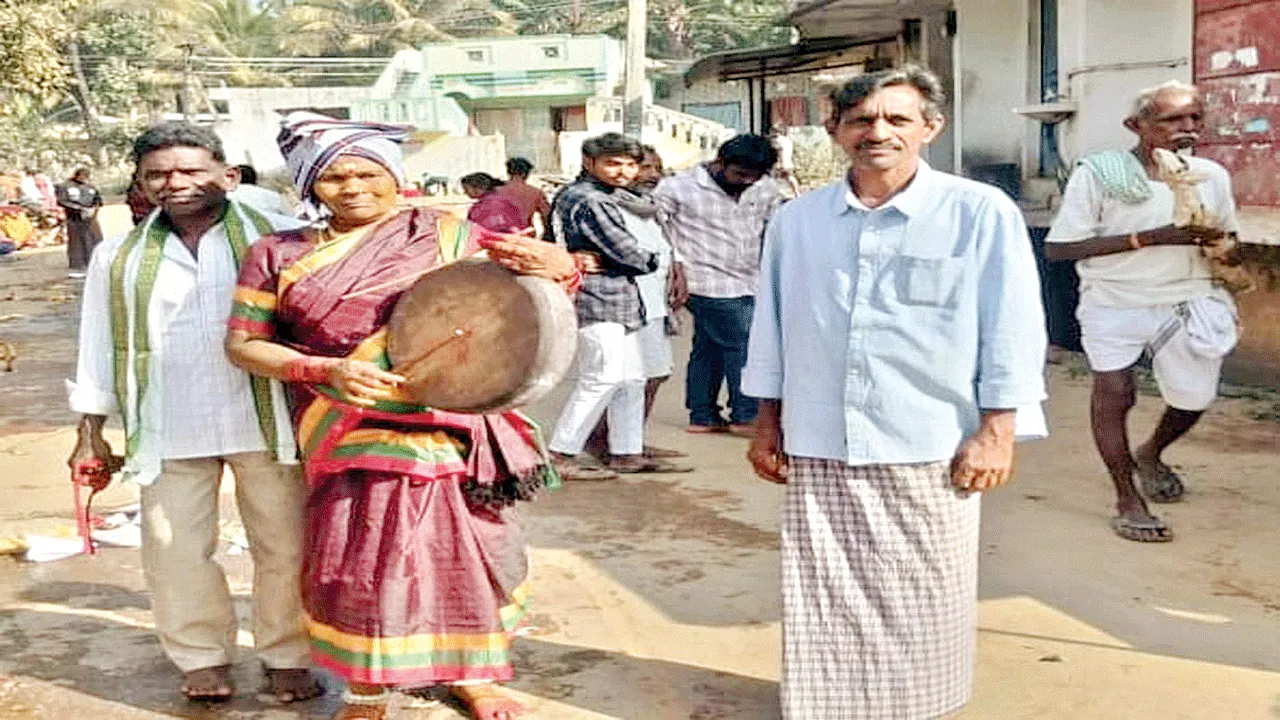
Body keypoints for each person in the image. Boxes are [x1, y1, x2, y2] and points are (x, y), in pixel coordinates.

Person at [225, 111, 579, 720]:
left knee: (471, 549)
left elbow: (522, 299)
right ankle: (367, 686)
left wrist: (559, 269)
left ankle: (475, 673)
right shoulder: (276, 254)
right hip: (344, 418)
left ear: (394, 177)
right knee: (360, 556)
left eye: (367, 172)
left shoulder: (450, 235)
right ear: (310, 185)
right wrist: (324, 372)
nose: (353, 187)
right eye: (334, 177)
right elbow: (243, 344)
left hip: (454, 419)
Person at [743, 66, 1047, 720]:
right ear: (835, 130)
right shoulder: (797, 221)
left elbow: (1013, 325)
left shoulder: (978, 212)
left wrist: (998, 429)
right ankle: (826, 707)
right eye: (860, 120)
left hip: (929, 440)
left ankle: (918, 707)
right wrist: (766, 421)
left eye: (897, 119)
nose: (877, 132)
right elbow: (772, 324)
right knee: (822, 590)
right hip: (820, 437)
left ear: (930, 128)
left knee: (923, 593)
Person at [66, 122, 320, 705]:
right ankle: (201, 655)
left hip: (267, 420)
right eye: (157, 174)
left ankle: (288, 653)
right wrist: (91, 435)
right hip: (167, 422)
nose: (174, 183)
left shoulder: (281, 238)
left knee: (286, 544)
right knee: (174, 547)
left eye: (189, 170)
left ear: (226, 175)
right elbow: (98, 345)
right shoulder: (119, 255)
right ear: (140, 185)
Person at [1045, 81, 1240, 543]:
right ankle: (1127, 497)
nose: (1186, 128)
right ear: (1137, 126)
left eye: (1194, 118)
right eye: (1172, 119)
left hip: (1188, 296)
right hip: (1113, 299)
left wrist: (1227, 255)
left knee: (1193, 399)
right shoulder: (1100, 173)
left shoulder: (1211, 176)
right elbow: (1059, 249)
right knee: (1115, 390)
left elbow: (1230, 238)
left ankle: (1151, 452)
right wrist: (1153, 237)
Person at [547, 132, 681, 479]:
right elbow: (629, 254)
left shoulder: (603, 195)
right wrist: (652, 259)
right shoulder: (591, 200)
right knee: (602, 376)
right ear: (590, 164)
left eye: (629, 164)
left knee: (632, 379)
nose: (623, 172)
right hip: (597, 296)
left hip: (621, 297)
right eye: (612, 163)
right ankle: (560, 454)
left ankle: (626, 453)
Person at [654, 134, 781, 436]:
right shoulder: (677, 188)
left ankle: (703, 414)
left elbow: (774, 229)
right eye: (740, 174)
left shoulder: (765, 189)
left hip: (749, 279)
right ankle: (746, 413)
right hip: (702, 280)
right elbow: (655, 228)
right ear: (719, 162)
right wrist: (675, 266)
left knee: (709, 347)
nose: (747, 182)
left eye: (754, 177)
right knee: (743, 342)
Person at [582, 145, 688, 464]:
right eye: (645, 168)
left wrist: (678, 270)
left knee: (656, 374)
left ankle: (630, 442)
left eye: (657, 168)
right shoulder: (603, 205)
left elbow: (665, 243)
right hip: (622, 303)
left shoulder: (648, 206)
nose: (653, 175)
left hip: (654, 302)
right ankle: (603, 441)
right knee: (619, 379)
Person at [56, 167, 104, 278]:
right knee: (77, 242)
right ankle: (78, 265)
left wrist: (93, 210)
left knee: (94, 239)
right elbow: (62, 201)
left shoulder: (90, 187)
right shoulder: (65, 186)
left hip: (90, 218)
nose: (84, 179)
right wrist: (79, 209)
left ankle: (95, 262)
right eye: (82, 176)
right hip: (74, 218)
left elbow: (98, 201)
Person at [461, 171, 527, 233]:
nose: (465, 192)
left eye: (466, 189)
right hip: (515, 240)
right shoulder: (509, 200)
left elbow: (473, 230)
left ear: (476, 188)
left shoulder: (479, 208)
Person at [498, 157, 551, 233]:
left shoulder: (496, 191)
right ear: (525, 174)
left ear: (508, 172)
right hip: (525, 234)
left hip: (499, 236)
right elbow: (547, 216)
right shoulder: (535, 192)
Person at [770, 124, 800, 197]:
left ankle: (776, 193)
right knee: (790, 178)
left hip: (780, 164)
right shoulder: (787, 140)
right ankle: (796, 192)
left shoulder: (776, 141)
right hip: (788, 163)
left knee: (772, 178)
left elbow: (774, 150)